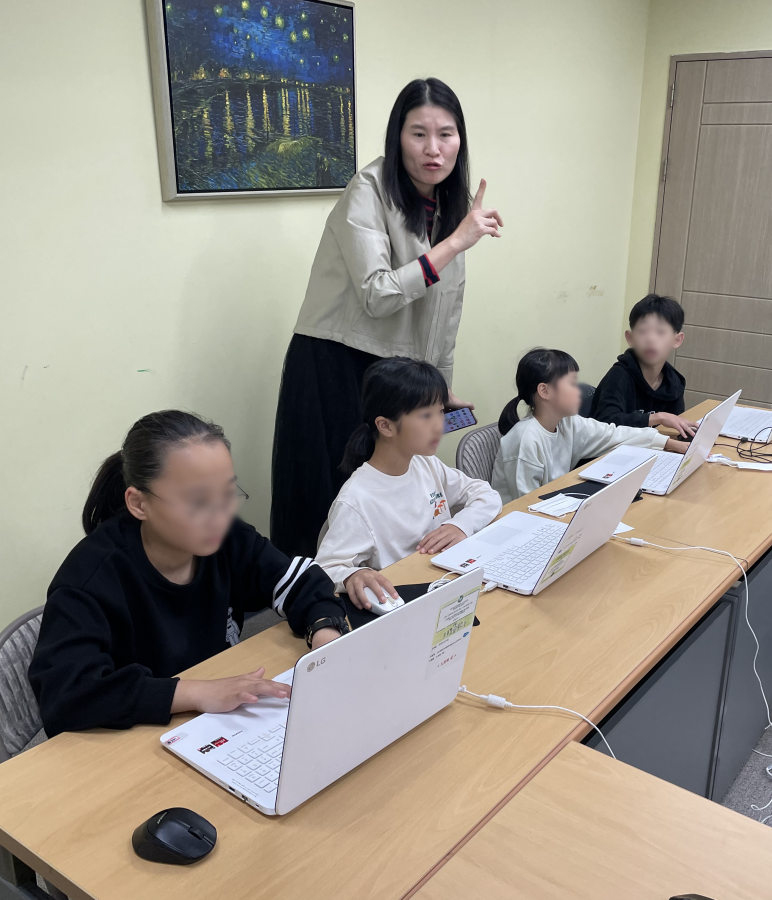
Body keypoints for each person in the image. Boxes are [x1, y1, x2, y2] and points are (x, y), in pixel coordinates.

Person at [270, 77, 504, 559]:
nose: (433, 149)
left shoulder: (450, 204)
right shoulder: (368, 189)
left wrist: (437, 390)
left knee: (397, 488)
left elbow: (445, 308)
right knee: (330, 500)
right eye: (419, 134)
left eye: (446, 134)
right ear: (398, 137)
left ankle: (395, 590)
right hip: (336, 361)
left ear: (460, 140)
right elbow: (378, 294)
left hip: (393, 373)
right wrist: (454, 243)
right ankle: (320, 597)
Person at [29, 411, 350, 738]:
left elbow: (301, 582)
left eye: (227, 494)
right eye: (198, 502)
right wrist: (197, 692)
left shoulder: (226, 538)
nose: (220, 515)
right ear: (139, 503)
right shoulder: (91, 578)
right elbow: (66, 695)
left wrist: (325, 636)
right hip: (133, 736)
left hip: (213, 723)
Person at [316, 357, 501, 608]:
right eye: (426, 415)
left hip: (447, 584)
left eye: (441, 412)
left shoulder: (426, 464)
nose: (439, 426)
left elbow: (486, 494)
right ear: (386, 426)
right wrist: (352, 575)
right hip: (406, 601)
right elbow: (326, 568)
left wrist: (460, 525)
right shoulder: (357, 499)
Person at [492, 349, 690, 503]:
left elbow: (613, 435)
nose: (578, 391)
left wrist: (671, 443)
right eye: (571, 384)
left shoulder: (568, 422)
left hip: (554, 507)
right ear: (544, 391)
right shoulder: (526, 440)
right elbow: (525, 505)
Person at [591, 294, 697, 437]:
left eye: (660, 332)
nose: (651, 339)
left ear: (677, 340)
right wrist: (657, 418)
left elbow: (674, 428)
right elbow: (605, 422)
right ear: (630, 338)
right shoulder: (618, 376)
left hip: (651, 447)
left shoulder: (674, 381)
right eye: (642, 331)